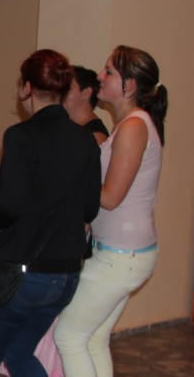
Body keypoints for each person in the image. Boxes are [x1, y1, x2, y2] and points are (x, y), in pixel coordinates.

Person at [0, 49, 101, 376]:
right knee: (18, 354)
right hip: (65, 276)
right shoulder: (86, 140)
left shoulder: (21, 136)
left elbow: (10, 206)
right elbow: (90, 208)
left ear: (26, 88)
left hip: (23, 275)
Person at [55, 45, 167, 377]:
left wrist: (70, 183)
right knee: (93, 340)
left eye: (109, 72)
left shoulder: (134, 126)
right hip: (122, 253)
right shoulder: (128, 124)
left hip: (122, 256)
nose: (101, 76)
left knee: (68, 337)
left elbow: (111, 197)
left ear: (129, 85)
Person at [63, 65, 109, 145]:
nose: (61, 93)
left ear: (86, 93)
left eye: (68, 88)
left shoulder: (96, 136)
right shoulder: (71, 128)